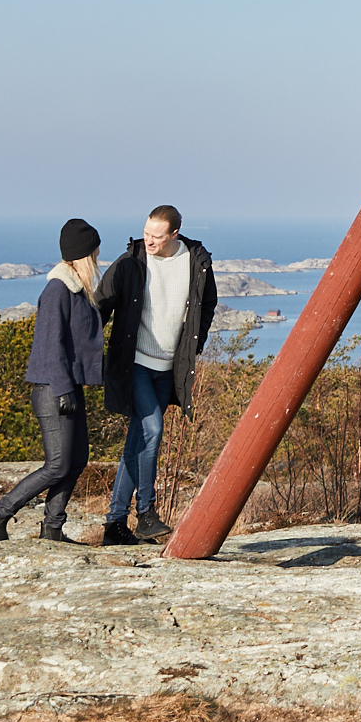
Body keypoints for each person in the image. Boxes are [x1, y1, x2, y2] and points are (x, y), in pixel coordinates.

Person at [0, 219, 105, 544]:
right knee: (58, 464)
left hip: (67, 386)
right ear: (85, 254)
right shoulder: (58, 289)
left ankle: (52, 529)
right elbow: (50, 344)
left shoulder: (78, 290)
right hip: (53, 389)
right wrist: (63, 389)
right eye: (95, 252)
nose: (98, 258)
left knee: (77, 460)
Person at [93, 203, 217, 544]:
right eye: (146, 233)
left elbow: (207, 305)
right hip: (135, 363)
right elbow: (100, 305)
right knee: (153, 429)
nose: (148, 241)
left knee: (138, 440)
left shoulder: (196, 263)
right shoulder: (131, 261)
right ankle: (146, 512)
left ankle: (115, 524)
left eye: (156, 237)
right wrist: (82, 350)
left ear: (174, 234)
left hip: (168, 369)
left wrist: (194, 344)